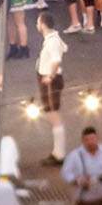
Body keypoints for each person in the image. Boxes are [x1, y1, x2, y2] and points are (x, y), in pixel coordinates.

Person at [36, 15, 68, 167]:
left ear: (42, 24)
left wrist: (50, 76)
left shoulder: (53, 41)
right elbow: (65, 48)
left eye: (37, 21)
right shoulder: (53, 38)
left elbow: (56, 59)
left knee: (53, 115)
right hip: (48, 79)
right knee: (51, 113)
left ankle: (59, 154)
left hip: (50, 81)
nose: (37, 24)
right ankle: (57, 152)